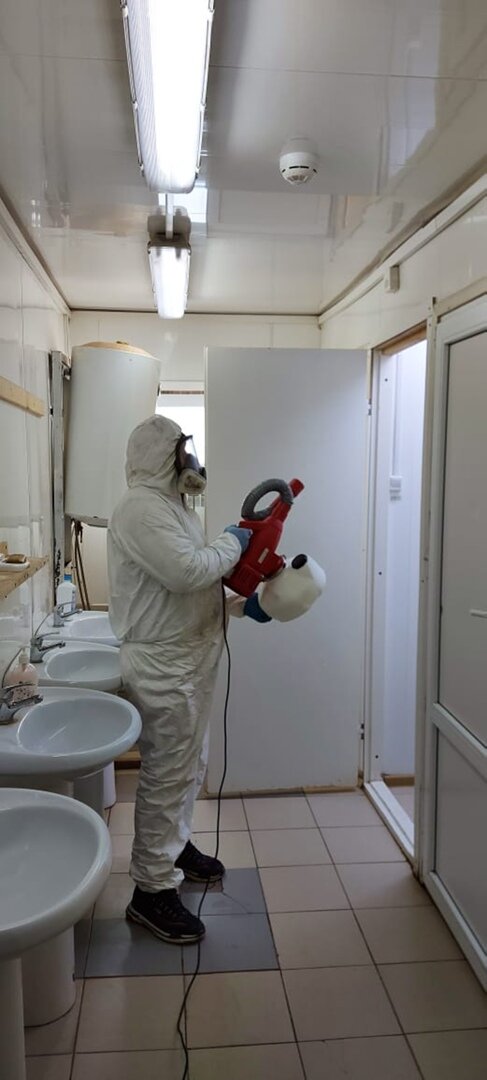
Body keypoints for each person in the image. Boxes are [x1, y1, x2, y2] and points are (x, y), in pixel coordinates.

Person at [107, 414, 269, 944]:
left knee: (190, 767)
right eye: (181, 449)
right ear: (162, 455)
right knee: (167, 775)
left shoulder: (174, 507)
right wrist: (234, 542)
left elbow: (195, 583)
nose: (190, 459)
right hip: (164, 666)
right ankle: (151, 890)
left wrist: (239, 604)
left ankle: (173, 849)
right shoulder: (139, 508)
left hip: (188, 660)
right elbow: (186, 571)